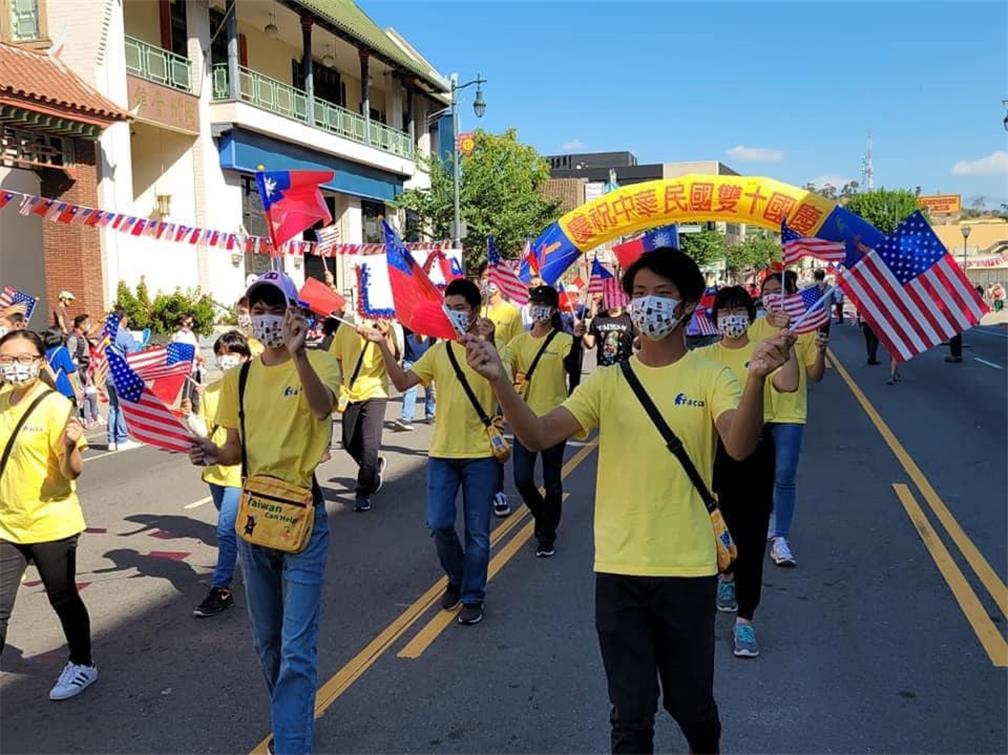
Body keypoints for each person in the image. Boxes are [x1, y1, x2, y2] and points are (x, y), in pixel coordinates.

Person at [462, 249, 794, 753]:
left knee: (690, 706)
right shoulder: (608, 382)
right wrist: (499, 382)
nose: (647, 305)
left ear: (687, 307)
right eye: (639, 294)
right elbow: (536, 435)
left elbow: (739, 444)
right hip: (618, 570)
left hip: (688, 570)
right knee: (631, 715)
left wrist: (754, 379)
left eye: (662, 295)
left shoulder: (711, 377)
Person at [189, 271, 340, 754]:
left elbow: (323, 409)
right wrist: (213, 453)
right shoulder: (240, 377)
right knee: (267, 643)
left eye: (275, 308)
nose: (266, 318)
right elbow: (235, 448)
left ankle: (292, 742)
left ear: (294, 313)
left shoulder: (319, 362)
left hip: (303, 520)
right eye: (257, 309)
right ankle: (292, 715)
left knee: (297, 648)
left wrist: (298, 355)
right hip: (255, 521)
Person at [362, 278, 500, 626]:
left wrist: (492, 341)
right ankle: (457, 576)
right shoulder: (438, 352)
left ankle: (473, 595)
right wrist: (381, 346)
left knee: (478, 533)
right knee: (438, 523)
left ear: (475, 311)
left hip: (481, 455)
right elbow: (403, 383)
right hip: (442, 454)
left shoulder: (491, 350)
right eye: (449, 307)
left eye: (461, 308)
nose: (454, 314)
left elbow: (505, 385)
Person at [699, 286, 799, 658]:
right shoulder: (705, 356)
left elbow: (788, 384)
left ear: (750, 314)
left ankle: (745, 620)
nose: (732, 318)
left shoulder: (765, 348)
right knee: (719, 527)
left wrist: (784, 342)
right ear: (715, 318)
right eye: (724, 312)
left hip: (757, 451)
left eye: (739, 310)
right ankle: (726, 573)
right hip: (714, 454)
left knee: (754, 537)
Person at [0, 329, 95, 700]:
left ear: (40, 361)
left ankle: (83, 663)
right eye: (7, 359)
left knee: (62, 596)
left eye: (24, 358)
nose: (16, 367)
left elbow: (72, 471)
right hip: (6, 523)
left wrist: (70, 445)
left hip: (51, 521)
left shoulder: (55, 405)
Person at [500, 285, 584, 557]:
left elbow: (573, 371)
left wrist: (579, 342)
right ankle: (543, 516)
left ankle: (546, 534)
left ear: (554, 309)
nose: (538, 308)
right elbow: (503, 366)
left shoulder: (563, 340)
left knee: (552, 481)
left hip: (554, 420)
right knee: (522, 479)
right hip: (525, 420)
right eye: (534, 302)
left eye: (543, 303)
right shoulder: (518, 342)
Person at [751, 272, 827, 567]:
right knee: (758, 476)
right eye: (767, 290)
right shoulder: (752, 327)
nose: (772, 296)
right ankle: (767, 516)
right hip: (756, 411)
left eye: (778, 291)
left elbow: (815, 375)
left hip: (789, 412)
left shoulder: (805, 329)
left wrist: (820, 352)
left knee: (784, 474)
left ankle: (780, 538)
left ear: (792, 295)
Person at [182, 331, 251, 618]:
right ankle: (257, 568)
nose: (225, 359)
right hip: (216, 472)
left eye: (231, 353)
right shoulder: (210, 392)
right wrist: (190, 419)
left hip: (240, 471)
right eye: (221, 353)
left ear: (245, 357)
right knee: (238, 531)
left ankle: (221, 588)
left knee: (226, 530)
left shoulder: (252, 388)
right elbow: (207, 433)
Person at [329, 319, 398, 512]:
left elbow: (392, 358)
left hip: (376, 391)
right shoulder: (345, 325)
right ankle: (372, 468)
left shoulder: (384, 325)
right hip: (350, 393)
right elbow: (337, 358)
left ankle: (363, 492)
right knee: (349, 442)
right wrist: (340, 383)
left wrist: (384, 337)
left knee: (370, 444)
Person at [477, 262, 523, 518]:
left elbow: (516, 349)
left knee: (494, 435)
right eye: (484, 277)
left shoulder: (511, 314)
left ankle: (498, 490)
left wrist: (513, 385)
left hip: (498, 380)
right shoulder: (474, 312)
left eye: (492, 278)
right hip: (473, 379)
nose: (488, 283)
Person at [395, 326, 436, 431]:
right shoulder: (407, 326)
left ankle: (430, 414)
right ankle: (406, 418)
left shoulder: (432, 326)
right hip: (410, 361)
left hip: (428, 361)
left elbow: (427, 340)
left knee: (430, 391)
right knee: (410, 390)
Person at [583, 295, 635, 367]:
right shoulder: (598, 319)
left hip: (625, 369)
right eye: (611, 296)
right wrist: (583, 333)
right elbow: (590, 344)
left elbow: (638, 344)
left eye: (616, 297)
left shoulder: (629, 319)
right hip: (604, 370)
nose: (614, 300)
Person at [42, 328, 81, 407]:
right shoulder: (62, 351)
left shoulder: (44, 353)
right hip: (65, 389)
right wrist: (76, 390)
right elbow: (69, 372)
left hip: (50, 389)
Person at [172, 314, 203, 412]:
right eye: (186, 323)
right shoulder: (179, 335)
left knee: (195, 390)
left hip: (195, 366)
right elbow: (183, 351)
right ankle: (186, 410)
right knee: (188, 390)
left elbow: (196, 348)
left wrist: (200, 358)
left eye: (190, 323)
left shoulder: (190, 334)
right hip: (188, 366)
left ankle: (195, 410)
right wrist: (196, 357)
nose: (189, 326)